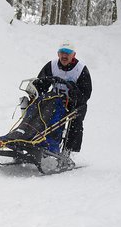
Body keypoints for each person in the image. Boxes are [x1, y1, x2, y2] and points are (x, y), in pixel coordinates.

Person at [32, 40, 92, 169]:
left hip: (74, 104)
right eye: (62, 53)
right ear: (58, 54)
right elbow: (40, 84)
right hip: (54, 102)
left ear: (73, 55)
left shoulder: (80, 69)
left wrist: (73, 89)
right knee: (39, 115)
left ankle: (66, 152)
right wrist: (36, 95)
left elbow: (86, 94)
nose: (64, 56)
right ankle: (35, 143)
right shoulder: (52, 66)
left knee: (75, 122)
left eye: (68, 53)